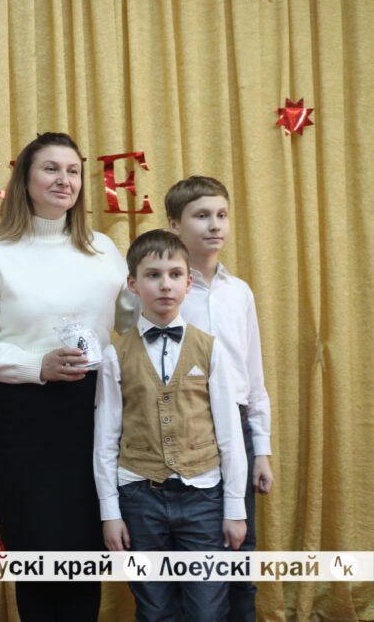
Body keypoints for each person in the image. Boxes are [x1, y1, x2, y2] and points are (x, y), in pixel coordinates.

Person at [0, 132, 135, 620]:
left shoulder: (103, 249)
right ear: (25, 180)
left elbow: (135, 325)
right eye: (51, 168)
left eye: (73, 171)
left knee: (86, 552)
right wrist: (37, 366)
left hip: (94, 414)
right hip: (23, 418)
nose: (63, 179)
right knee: (36, 554)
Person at [94, 229, 248, 621]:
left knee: (207, 608)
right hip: (139, 498)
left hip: (203, 498)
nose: (165, 284)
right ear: (133, 284)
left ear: (188, 282)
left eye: (175, 274)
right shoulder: (114, 355)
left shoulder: (210, 349)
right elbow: (106, 439)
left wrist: (235, 507)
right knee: (154, 608)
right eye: (153, 275)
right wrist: (110, 512)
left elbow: (230, 433)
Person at [166, 176, 273, 621]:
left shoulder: (239, 292)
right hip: (183, 430)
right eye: (202, 215)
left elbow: (254, 375)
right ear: (175, 225)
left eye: (222, 215)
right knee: (189, 556)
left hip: (238, 429)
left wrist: (261, 449)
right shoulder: (163, 289)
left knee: (239, 549)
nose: (215, 225)